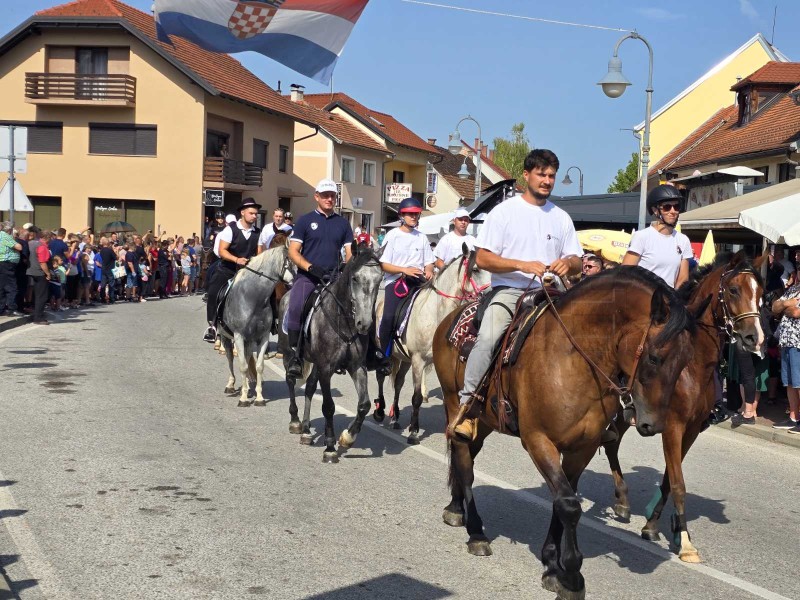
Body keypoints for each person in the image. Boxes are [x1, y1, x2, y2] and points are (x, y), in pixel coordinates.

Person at [449, 149, 582, 441]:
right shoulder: (504, 212)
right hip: (510, 290)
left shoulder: (561, 217)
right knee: (488, 338)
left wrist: (568, 263)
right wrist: (521, 264)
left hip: (552, 292)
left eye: (551, 176)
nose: (547, 181)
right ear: (526, 175)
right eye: (541, 174)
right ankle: (467, 407)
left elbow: (578, 261)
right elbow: (482, 259)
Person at [285, 179, 354, 376]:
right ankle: (295, 356)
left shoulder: (343, 224)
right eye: (325, 195)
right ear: (317, 196)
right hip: (308, 276)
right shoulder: (305, 221)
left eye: (332, 195)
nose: (329, 199)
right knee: (296, 307)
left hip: (333, 277)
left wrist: (347, 266)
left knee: (354, 308)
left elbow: (349, 252)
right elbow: (293, 251)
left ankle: (348, 354)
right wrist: (309, 267)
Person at [377, 197, 434, 374]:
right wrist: (403, 270)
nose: (414, 217)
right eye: (410, 214)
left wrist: (429, 270)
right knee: (388, 317)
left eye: (416, 214)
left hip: (418, 281)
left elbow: (429, 262)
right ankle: (383, 356)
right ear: (402, 215)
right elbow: (383, 264)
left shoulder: (422, 237)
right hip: (396, 282)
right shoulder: (392, 236)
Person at [203, 199, 262, 342]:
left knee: (266, 294)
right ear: (242, 213)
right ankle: (212, 326)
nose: (255, 216)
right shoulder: (230, 230)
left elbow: (260, 253)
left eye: (256, 214)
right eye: (252, 213)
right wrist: (236, 260)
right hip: (228, 270)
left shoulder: (258, 232)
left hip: (248, 272)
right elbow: (222, 251)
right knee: (213, 293)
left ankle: (267, 325)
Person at [622, 184, 693, 289]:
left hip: (669, 299)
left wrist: (675, 300)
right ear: (656, 210)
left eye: (676, 207)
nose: (673, 211)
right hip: (642, 296)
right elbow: (625, 272)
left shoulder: (683, 240)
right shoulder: (642, 236)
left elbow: (682, 279)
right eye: (667, 207)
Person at [771, 285, 800, 433]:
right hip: (786, 343)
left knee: (799, 383)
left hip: (798, 343)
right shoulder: (793, 290)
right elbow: (775, 307)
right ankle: (794, 418)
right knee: (789, 382)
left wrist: (785, 309)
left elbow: (796, 312)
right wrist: (787, 304)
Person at [27, 228, 52, 325]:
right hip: (40, 273)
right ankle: (38, 317)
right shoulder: (42, 246)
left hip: (30, 271)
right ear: (47, 237)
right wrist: (48, 273)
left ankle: (36, 314)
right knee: (42, 296)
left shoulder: (31, 243)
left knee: (35, 294)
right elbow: (42, 262)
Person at [0, 221, 23, 316]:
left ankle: (1, 308)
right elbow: (19, 247)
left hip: (3, 263)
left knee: (2, 286)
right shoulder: (5, 235)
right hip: (7, 263)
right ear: (9, 229)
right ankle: (11, 308)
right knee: (11, 286)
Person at [98, 237, 117, 304]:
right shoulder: (110, 250)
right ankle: (111, 298)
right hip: (110, 268)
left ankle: (102, 298)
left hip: (104, 268)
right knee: (111, 283)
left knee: (103, 283)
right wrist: (114, 250)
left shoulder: (102, 250)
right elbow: (115, 257)